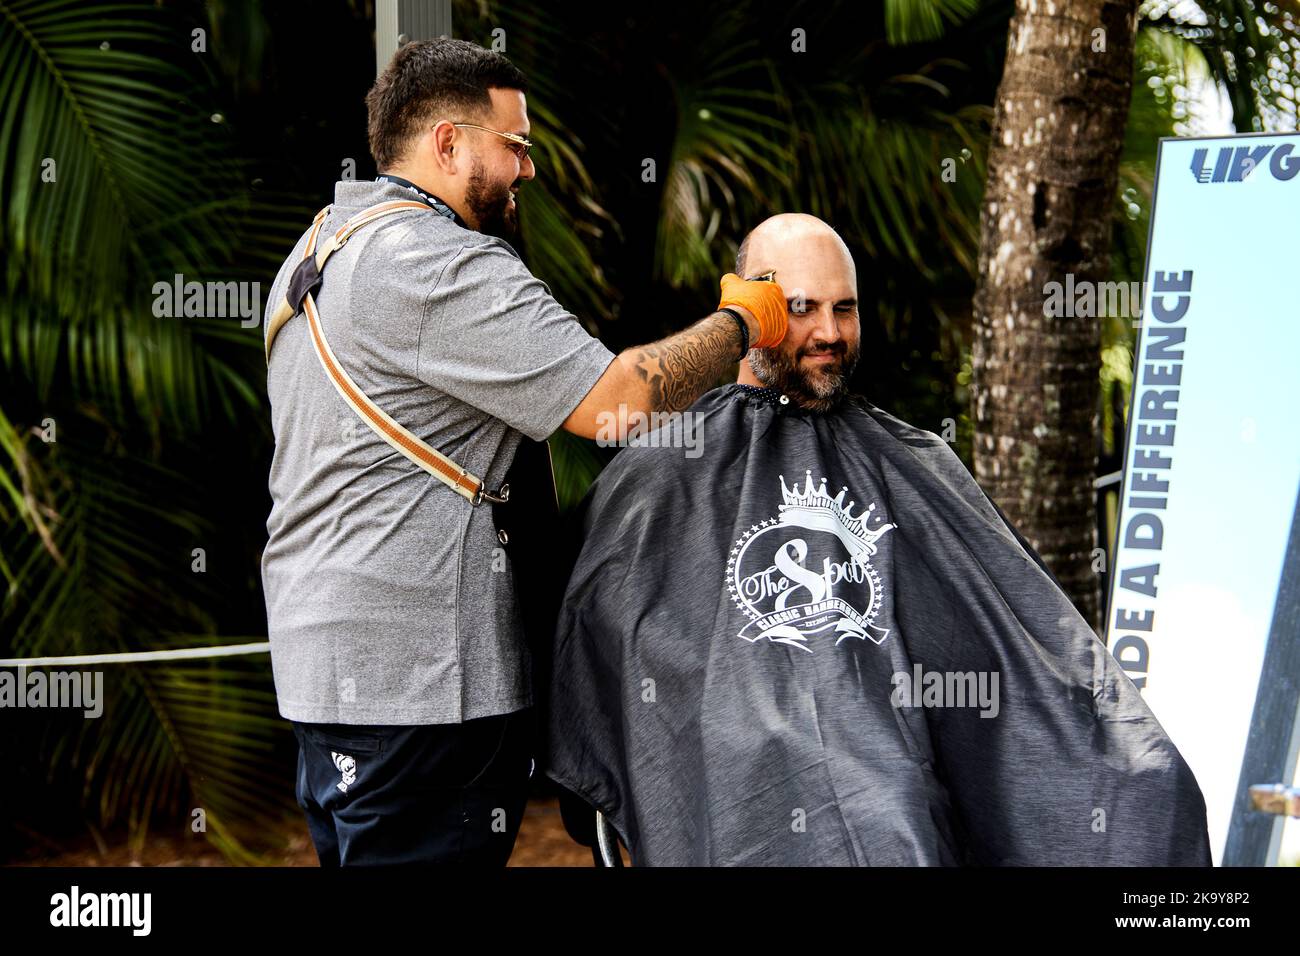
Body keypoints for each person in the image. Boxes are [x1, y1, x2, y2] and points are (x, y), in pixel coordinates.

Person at [260, 38, 787, 866]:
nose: (528, 171)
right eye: (516, 145)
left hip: (325, 678)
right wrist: (745, 323)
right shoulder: (435, 264)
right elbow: (618, 404)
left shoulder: (318, 250)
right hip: (425, 690)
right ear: (447, 143)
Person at [546, 213, 1212, 866]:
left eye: (846, 308)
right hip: (753, 780)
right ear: (749, 313)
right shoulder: (668, 469)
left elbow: (1015, 645)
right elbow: (618, 644)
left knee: (1148, 788)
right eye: (801, 307)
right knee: (879, 820)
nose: (830, 333)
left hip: (900, 762)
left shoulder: (912, 460)